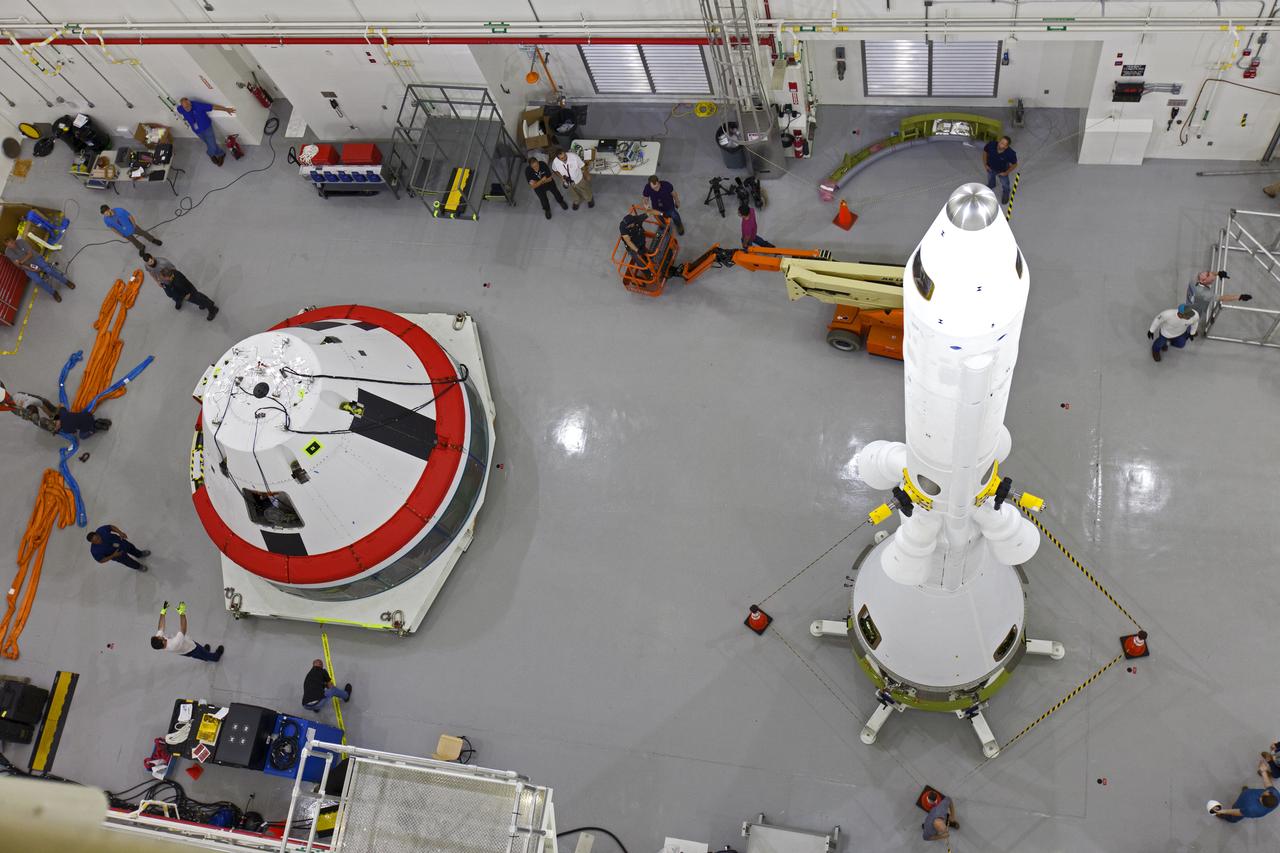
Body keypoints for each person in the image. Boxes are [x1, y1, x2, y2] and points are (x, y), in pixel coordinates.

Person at [3, 236, 75, 303]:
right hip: (26, 267)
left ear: (13, 240)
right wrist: (31, 269)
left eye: (12, 243)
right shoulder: (8, 252)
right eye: (9, 245)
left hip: (35, 258)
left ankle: (66, 282)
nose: (12, 246)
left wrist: (21, 261)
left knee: (48, 270)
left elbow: (30, 254)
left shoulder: (21, 242)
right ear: (7, 246)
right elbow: (18, 265)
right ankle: (53, 293)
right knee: (38, 280)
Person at [151, 600, 223, 662]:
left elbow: (161, 627)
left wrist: (163, 612)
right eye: (160, 637)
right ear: (162, 642)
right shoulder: (174, 644)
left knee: (200, 654)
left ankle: (204, 654)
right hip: (191, 648)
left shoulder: (159, 641)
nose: (160, 636)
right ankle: (215, 657)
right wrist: (182, 613)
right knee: (200, 652)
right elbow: (183, 628)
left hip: (186, 647)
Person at [1210, 759, 1280, 822]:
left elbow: (1237, 812)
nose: (1267, 790)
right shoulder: (1275, 794)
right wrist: (1263, 771)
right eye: (1269, 791)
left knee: (1234, 815)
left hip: (1241, 806)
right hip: (1249, 794)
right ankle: (1246, 792)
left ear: (1261, 799)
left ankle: (1227, 817)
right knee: (1247, 793)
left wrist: (1222, 811)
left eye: (1265, 792)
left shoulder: (1251, 810)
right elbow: (1268, 785)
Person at [1185, 270, 1252, 334]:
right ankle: (1188, 332)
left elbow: (1210, 274)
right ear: (1203, 281)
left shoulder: (1195, 281)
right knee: (1191, 322)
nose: (1211, 274)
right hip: (1193, 311)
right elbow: (1223, 298)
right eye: (1209, 275)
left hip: (1190, 305)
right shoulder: (1204, 294)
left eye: (1208, 272)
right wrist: (1240, 297)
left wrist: (1218, 273)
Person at [176, 97, 237, 166]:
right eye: (184, 107)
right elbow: (179, 110)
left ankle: (211, 154)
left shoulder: (198, 106)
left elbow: (213, 107)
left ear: (190, 103)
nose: (186, 108)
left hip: (207, 129)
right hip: (197, 131)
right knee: (209, 143)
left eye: (187, 106)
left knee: (212, 145)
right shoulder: (180, 109)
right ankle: (221, 154)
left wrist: (226, 109)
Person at [525, 155, 568, 220]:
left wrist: (537, 183)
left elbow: (550, 179)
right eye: (534, 167)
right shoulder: (528, 171)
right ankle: (547, 209)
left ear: (538, 162)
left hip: (549, 183)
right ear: (530, 166)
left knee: (556, 192)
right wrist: (542, 180)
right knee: (543, 199)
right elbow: (533, 186)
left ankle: (561, 201)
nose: (536, 168)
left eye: (537, 165)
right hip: (539, 187)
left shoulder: (543, 164)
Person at [983, 136, 1018, 206]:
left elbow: (1015, 164)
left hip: (1002, 171)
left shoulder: (1010, 154)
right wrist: (985, 164)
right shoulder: (991, 144)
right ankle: (991, 185)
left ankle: (1006, 192)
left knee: (1005, 184)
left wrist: (1006, 173)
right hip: (990, 168)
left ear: (1006, 147)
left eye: (1003, 144)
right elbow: (985, 152)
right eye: (1000, 142)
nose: (999, 144)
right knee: (990, 178)